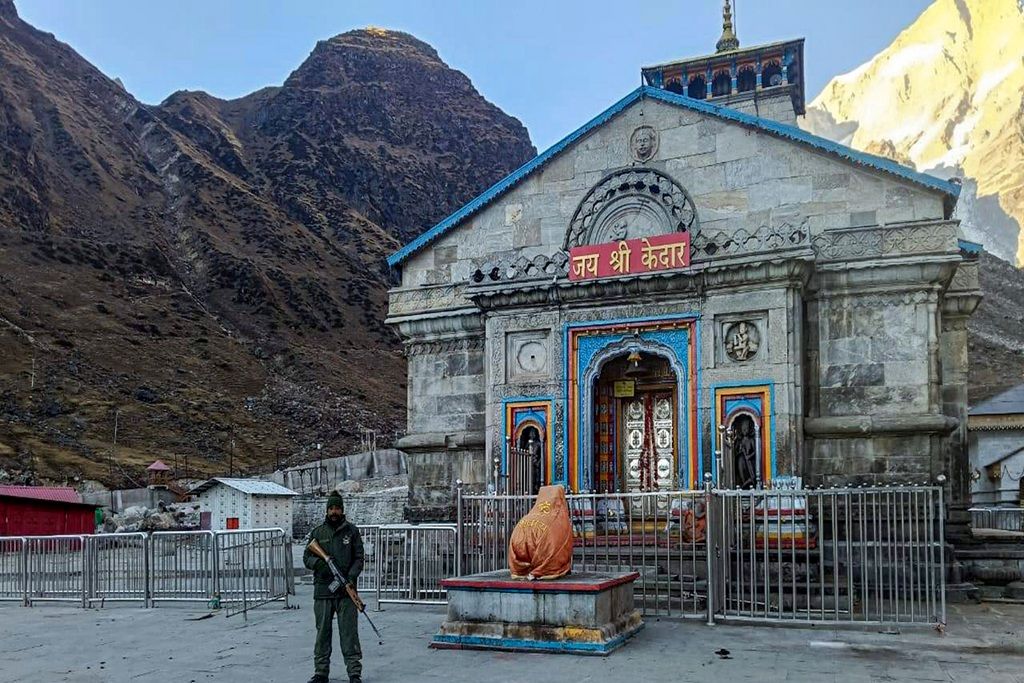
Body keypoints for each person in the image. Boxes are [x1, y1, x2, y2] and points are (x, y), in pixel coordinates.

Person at [303, 491, 364, 683]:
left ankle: (354, 672)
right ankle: (321, 672)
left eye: (337, 508)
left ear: (342, 510)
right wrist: (320, 565)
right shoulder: (318, 533)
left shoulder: (352, 532)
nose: (334, 512)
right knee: (322, 633)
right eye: (331, 508)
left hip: (346, 591)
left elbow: (359, 558)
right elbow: (307, 557)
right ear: (327, 510)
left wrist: (350, 577)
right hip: (323, 591)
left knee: (349, 633)